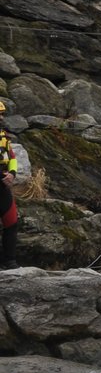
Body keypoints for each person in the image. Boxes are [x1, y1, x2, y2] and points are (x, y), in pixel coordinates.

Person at [0, 104, 20, 268]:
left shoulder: (3, 136)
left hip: (3, 184)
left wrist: (12, 173)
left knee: (12, 222)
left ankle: (9, 261)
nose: (1, 118)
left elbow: (12, 157)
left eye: (2, 114)